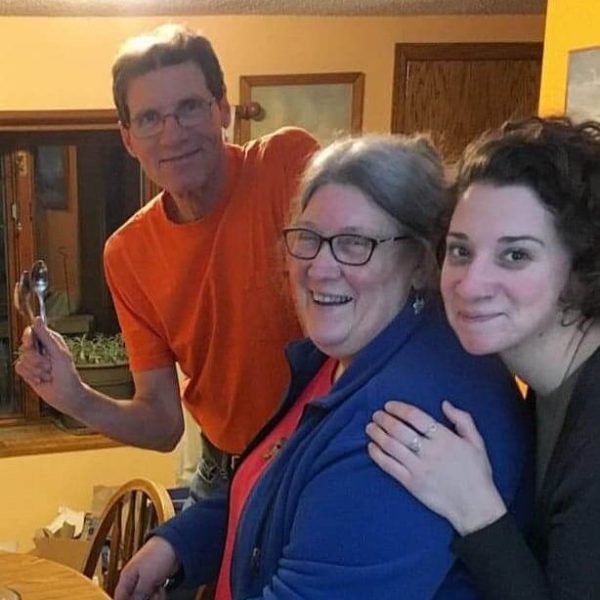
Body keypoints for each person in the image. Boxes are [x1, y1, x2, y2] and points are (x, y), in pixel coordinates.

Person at [114, 134, 532, 600]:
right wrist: (181, 542)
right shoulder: (340, 358)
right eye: (308, 239)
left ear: (419, 260)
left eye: (355, 243)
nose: (320, 267)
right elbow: (276, 481)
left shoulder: (404, 420)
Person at [14, 24, 318, 498]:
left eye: (190, 107)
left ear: (223, 109)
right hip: (227, 471)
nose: (172, 134)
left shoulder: (286, 164)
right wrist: (74, 396)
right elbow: (161, 425)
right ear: (128, 138)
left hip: (323, 454)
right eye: (150, 118)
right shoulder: (128, 254)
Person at [367, 116, 600, 600]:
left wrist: (476, 510)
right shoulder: (545, 377)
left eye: (515, 255)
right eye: (460, 250)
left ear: (580, 267)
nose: (470, 284)